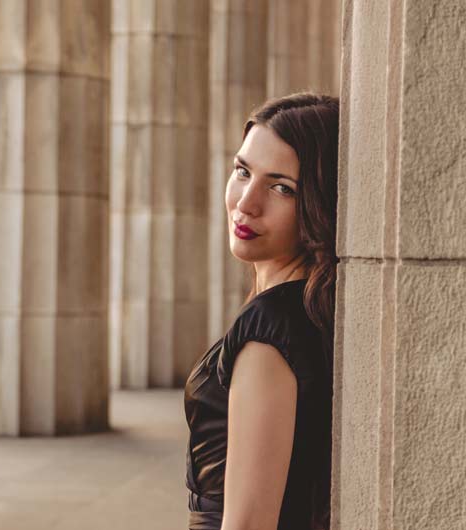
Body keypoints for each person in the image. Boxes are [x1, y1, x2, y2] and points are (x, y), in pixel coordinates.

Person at [185, 94, 339, 530]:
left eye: (281, 187)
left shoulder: (269, 332)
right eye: (242, 171)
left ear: (319, 204)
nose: (246, 203)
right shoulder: (310, 310)